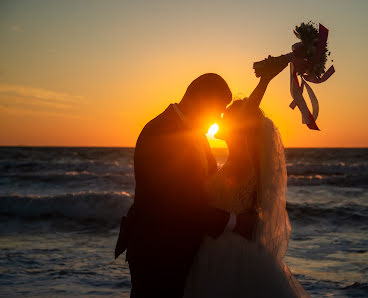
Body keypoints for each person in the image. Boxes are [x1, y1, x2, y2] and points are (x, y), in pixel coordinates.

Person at [114, 73, 257, 297]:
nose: (219, 117)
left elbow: (210, 185)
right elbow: (180, 203)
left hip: (180, 249)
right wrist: (235, 222)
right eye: (218, 108)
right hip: (157, 252)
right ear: (201, 99)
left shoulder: (195, 133)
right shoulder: (162, 132)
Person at [183, 57, 311, 297]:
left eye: (227, 115)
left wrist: (265, 81)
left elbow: (248, 114)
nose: (221, 117)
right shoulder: (232, 162)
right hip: (217, 249)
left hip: (229, 256)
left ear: (240, 126)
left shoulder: (243, 162)